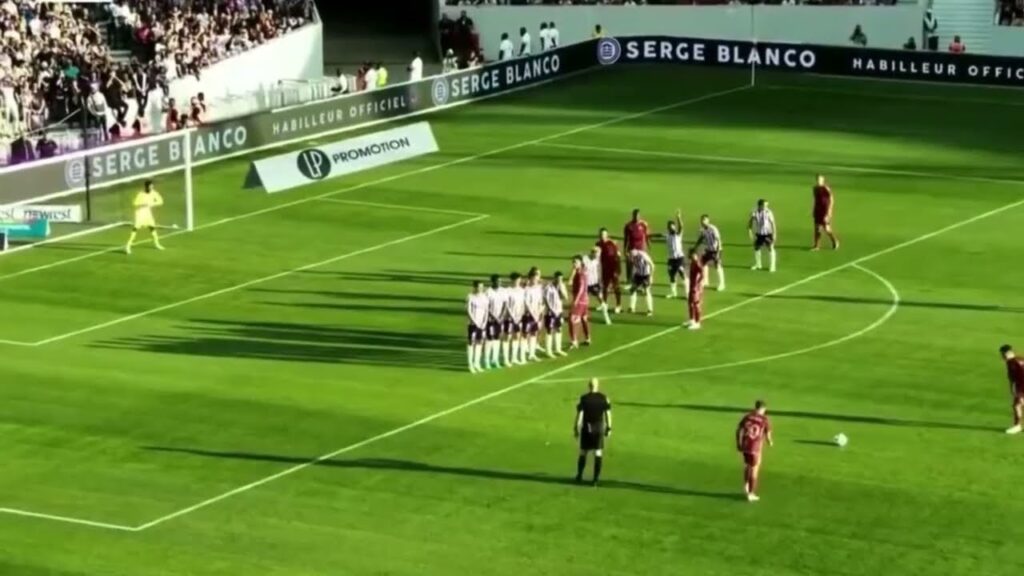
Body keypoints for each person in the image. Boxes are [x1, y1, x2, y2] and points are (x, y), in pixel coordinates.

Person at [574, 378, 612, 486]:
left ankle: (579, 475)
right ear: (597, 385)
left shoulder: (584, 398)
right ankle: (595, 480)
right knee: (598, 452)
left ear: (588, 386)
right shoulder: (604, 398)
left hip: (586, 427)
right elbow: (608, 414)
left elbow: (580, 415)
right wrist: (609, 428)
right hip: (598, 428)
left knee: (583, 452)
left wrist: (576, 428)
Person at [736, 400, 773, 502]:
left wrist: (738, 443)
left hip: (745, 446)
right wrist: (770, 442)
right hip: (755, 448)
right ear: (762, 409)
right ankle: (751, 493)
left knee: (747, 465)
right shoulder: (764, 419)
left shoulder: (747, 416)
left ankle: (746, 485)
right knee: (754, 469)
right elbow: (768, 433)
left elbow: (739, 429)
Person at [125, 180, 165, 255]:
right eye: (150, 186)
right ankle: (128, 246)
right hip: (140, 213)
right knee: (135, 229)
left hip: (147, 213)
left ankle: (157, 244)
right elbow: (134, 203)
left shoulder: (154, 193)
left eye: (152, 186)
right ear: (146, 187)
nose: (151, 188)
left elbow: (161, 201)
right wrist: (143, 204)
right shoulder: (141, 194)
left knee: (152, 227)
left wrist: (153, 203)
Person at [693, 214, 725, 291]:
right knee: (702, 263)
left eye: (704, 220)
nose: (702, 222)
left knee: (717, 265)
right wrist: (695, 247)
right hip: (709, 250)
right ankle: (706, 280)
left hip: (716, 249)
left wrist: (717, 252)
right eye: (701, 220)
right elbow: (701, 238)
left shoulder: (713, 229)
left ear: (708, 220)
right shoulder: (702, 230)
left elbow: (718, 240)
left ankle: (722, 283)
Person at [596, 228, 623, 314]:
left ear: (607, 235)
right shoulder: (598, 244)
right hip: (604, 268)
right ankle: (604, 303)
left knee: (616, 287)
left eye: (604, 234)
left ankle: (618, 305)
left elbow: (618, 257)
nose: (602, 236)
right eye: (601, 234)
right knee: (604, 287)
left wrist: (618, 270)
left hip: (613, 268)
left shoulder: (611, 243)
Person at [485, 274, 508, 370]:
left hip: (500, 319)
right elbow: (487, 306)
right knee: (489, 339)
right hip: (490, 319)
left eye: (500, 281)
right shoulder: (488, 292)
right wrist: (494, 317)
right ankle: (487, 360)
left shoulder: (503, 291)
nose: (499, 283)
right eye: (497, 281)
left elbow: (505, 304)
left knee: (497, 338)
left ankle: (495, 359)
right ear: (492, 282)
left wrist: (502, 316)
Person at [568, 255, 592, 348]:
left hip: (580, 300)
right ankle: (588, 338)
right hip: (585, 300)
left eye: (576, 262)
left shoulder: (580, 274)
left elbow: (581, 288)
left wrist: (576, 300)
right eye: (573, 262)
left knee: (572, 319)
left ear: (581, 263)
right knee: (584, 318)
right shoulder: (583, 272)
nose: (574, 264)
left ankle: (574, 341)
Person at [1000, 344, 1024, 434]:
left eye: (1002, 354)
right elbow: (1012, 378)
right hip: (1020, 387)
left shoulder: (1013, 363)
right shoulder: (1018, 359)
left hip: (1022, 387)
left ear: (1007, 353)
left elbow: (1020, 378)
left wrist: (1019, 393)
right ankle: (1017, 425)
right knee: (1017, 405)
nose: (1002, 356)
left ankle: (1017, 426)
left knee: (1017, 405)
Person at [466, 280, 489, 373]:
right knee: (471, 343)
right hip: (473, 324)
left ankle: (477, 363)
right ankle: (470, 364)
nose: (480, 289)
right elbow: (468, 310)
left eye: (482, 287)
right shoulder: (470, 297)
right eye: (479, 287)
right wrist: (475, 322)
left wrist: (484, 322)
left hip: (482, 324)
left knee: (479, 343)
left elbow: (486, 311)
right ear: (475, 287)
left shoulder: (484, 297)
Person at [748, 199, 777, 273]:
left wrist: (774, 234)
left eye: (767, 205)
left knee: (770, 248)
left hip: (768, 233)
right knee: (756, 248)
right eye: (765, 205)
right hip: (759, 233)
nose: (766, 207)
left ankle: (772, 266)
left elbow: (772, 223)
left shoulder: (768, 212)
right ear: (760, 205)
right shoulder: (754, 212)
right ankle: (758, 264)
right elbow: (750, 222)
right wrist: (750, 231)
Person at [584, 247, 611, 325]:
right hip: (585, 283)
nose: (598, 256)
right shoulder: (585, 259)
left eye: (599, 254)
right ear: (592, 253)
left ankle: (606, 317)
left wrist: (600, 281)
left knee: (601, 300)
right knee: (584, 301)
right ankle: (583, 316)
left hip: (594, 283)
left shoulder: (597, 260)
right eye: (597, 254)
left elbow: (599, 270)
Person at [543, 271, 568, 358]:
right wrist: (548, 309)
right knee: (549, 330)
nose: (559, 281)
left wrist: (561, 290)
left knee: (559, 329)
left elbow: (565, 297)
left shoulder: (562, 286)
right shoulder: (548, 287)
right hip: (550, 311)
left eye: (561, 279)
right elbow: (545, 299)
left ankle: (558, 348)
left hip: (559, 311)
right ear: (554, 278)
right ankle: (548, 350)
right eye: (558, 279)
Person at [812, 174, 839, 251]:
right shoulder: (815, 188)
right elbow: (815, 200)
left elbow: (831, 199)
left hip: (825, 211)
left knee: (827, 228)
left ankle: (834, 241)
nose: (818, 181)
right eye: (817, 179)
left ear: (823, 180)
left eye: (819, 180)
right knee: (817, 228)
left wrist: (829, 211)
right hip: (817, 210)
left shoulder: (826, 188)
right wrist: (813, 209)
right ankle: (816, 246)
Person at [523, 267, 544, 363]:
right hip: (529, 314)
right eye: (534, 278)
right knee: (525, 333)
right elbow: (527, 302)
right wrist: (533, 313)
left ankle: (532, 354)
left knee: (534, 333)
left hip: (537, 313)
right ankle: (523, 353)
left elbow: (540, 300)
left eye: (537, 278)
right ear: (530, 278)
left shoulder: (539, 288)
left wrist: (540, 310)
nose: (536, 280)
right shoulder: (527, 289)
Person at [506, 272, 527, 366]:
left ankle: (514, 358)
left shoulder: (522, 290)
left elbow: (523, 304)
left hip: (519, 317)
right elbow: (507, 305)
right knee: (508, 337)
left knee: (517, 336)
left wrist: (521, 314)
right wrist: (512, 315)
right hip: (510, 317)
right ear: (512, 280)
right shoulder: (508, 291)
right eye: (516, 280)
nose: (518, 281)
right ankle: (507, 358)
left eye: (519, 279)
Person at [665, 209, 687, 299]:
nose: (672, 228)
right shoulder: (667, 236)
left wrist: (678, 217)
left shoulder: (678, 235)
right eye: (670, 227)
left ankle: (688, 292)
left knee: (682, 273)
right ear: (668, 228)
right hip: (671, 259)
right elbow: (659, 235)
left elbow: (681, 226)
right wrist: (649, 236)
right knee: (671, 275)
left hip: (679, 258)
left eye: (673, 226)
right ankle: (673, 293)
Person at [628, 249, 655, 317]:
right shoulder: (632, 257)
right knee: (632, 290)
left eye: (633, 256)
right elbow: (635, 266)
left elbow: (652, 265)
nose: (632, 258)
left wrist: (651, 276)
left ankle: (650, 310)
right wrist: (633, 276)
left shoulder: (643, 256)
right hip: (638, 274)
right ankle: (632, 307)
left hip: (646, 275)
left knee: (647, 291)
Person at [685, 249, 704, 330]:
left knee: (696, 304)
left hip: (695, 287)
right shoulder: (692, 262)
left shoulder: (697, 263)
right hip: (691, 285)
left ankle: (698, 322)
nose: (689, 256)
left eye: (690, 254)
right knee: (690, 303)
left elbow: (702, 274)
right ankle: (692, 320)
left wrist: (698, 284)